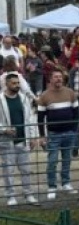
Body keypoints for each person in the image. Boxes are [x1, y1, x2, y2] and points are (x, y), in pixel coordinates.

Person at [37, 70, 79, 200]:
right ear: (50, 79)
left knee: (67, 160)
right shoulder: (44, 96)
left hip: (69, 133)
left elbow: (76, 114)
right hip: (53, 134)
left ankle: (66, 183)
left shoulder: (71, 93)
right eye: (55, 77)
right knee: (52, 161)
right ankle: (52, 186)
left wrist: (73, 129)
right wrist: (42, 135)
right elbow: (40, 119)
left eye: (60, 77)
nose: (58, 79)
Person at [0, 73, 39, 206]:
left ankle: (28, 194)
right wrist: (4, 129)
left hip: (23, 139)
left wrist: (33, 137)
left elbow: (30, 118)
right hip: (7, 141)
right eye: (14, 83)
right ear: (6, 84)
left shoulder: (23, 98)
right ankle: (11, 196)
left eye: (18, 83)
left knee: (26, 169)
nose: (17, 85)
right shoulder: (0, 99)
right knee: (8, 170)